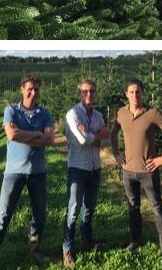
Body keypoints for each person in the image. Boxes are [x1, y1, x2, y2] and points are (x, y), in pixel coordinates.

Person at [0, 75, 55, 270]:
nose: (33, 93)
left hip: (38, 172)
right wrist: (37, 134)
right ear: (22, 89)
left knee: (40, 215)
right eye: (29, 89)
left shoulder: (45, 113)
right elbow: (11, 134)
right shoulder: (11, 110)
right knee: (4, 215)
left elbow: (50, 140)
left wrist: (27, 135)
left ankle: (35, 248)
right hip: (13, 172)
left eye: (36, 90)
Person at [109, 78, 162, 260]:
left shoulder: (153, 113)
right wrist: (116, 154)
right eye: (131, 92)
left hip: (148, 171)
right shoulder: (121, 113)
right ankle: (135, 240)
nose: (134, 95)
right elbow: (113, 132)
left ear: (143, 93)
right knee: (133, 207)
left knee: (157, 207)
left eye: (138, 91)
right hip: (128, 171)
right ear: (126, 94)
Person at [61, 79, 110, 267]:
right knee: (73, 210)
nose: (89, 94)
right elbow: (82, 140)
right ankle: (67, 248)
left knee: (89, 208)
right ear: (80, 93)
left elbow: (103, 141)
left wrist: (91, 134)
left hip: (94, 168)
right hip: (77, 169)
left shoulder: (98, 115)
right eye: (85, 91)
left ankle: (87, 239)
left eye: (92, 91)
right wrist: (95, 135)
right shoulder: (72, 114)